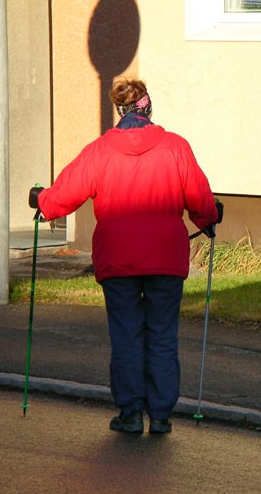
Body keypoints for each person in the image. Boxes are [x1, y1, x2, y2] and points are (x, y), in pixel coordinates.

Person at [29, 78, 223, 433]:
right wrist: (210, 217)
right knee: (163, 335)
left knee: (127, 335)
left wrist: (42, 202)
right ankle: (161, 416)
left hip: (118, 260)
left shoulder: (100, 150)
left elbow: (64, 194)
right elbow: (200, 201)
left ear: (121, 110)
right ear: (148, 107)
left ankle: (131, 413)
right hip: (166, 259)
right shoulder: (175, 147)